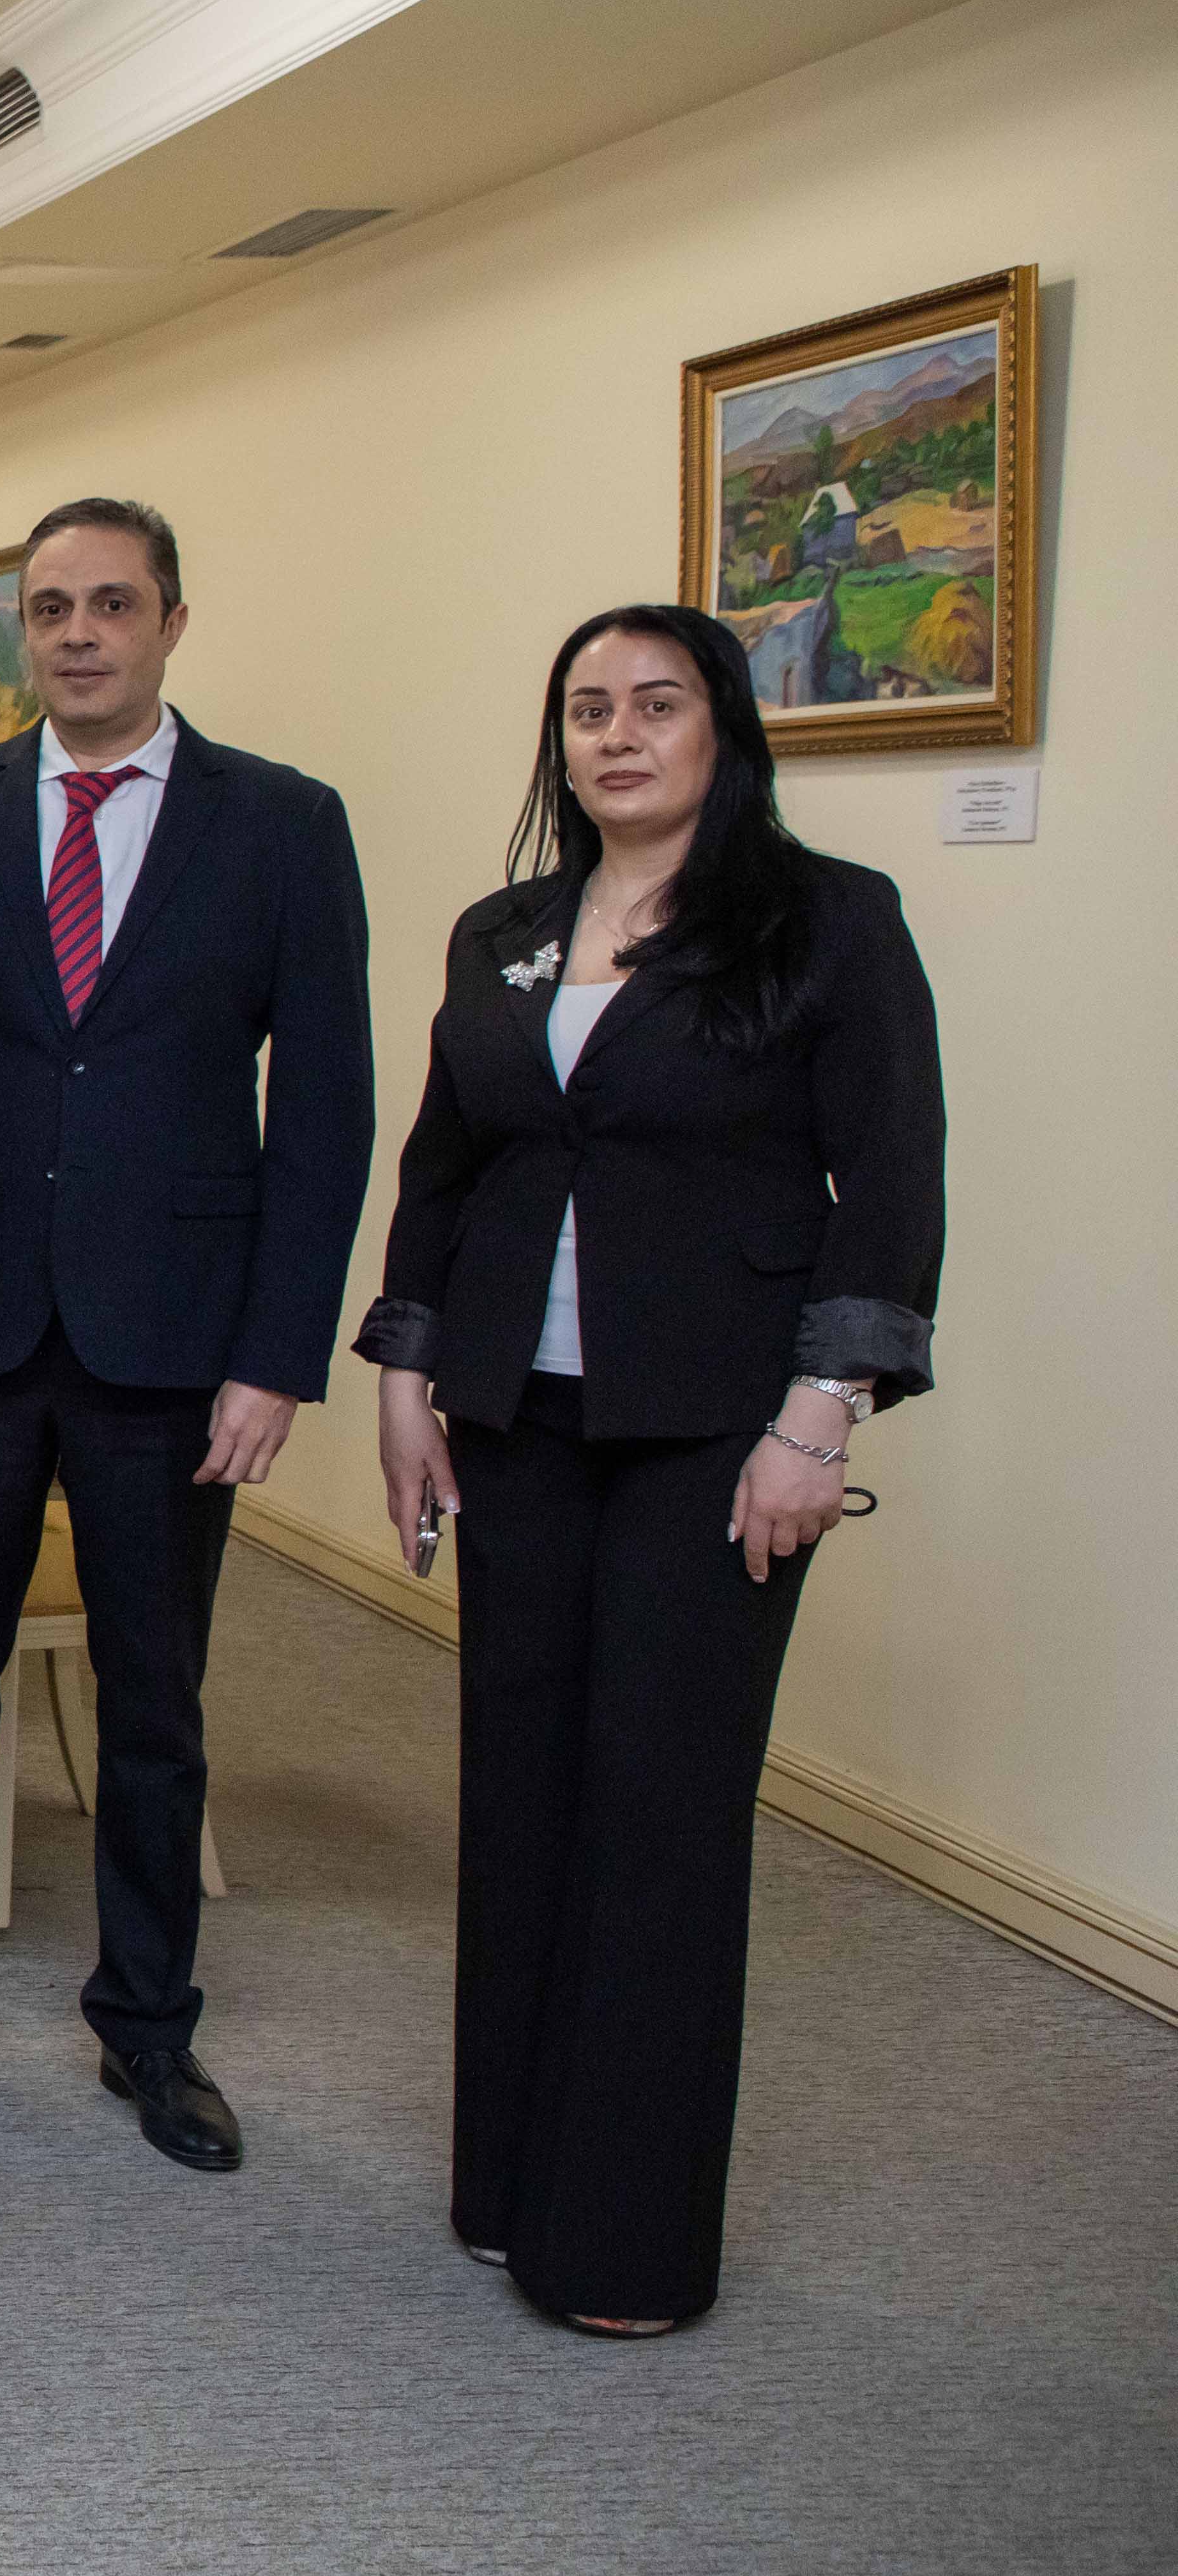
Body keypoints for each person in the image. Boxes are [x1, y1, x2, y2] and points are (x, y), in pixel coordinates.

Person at [362, 603, 940, 2337]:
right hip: (516, 1420)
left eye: (656, 705)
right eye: (588, 710)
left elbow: (891, 1178)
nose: (616, 737)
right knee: (521, 1792)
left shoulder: (826, 923)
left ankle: (621, 2245)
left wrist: (818, 1418)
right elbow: (445, 1162)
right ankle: (506, 2186)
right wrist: (407, 1378)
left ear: (725, 729)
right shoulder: (508, 932)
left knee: (660, 1814)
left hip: (717, 1429)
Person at [0, 496, 371, 2171]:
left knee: (157, 1707)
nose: (76, 634)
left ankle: (149, 2025)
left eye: (111, 604)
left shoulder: (281, 823)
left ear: (171, 624)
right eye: (49, 608)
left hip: (175, 1347)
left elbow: (327, 1110)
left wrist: (277, 1356)